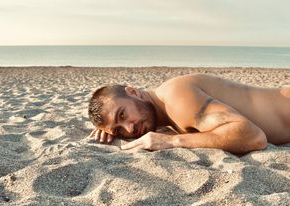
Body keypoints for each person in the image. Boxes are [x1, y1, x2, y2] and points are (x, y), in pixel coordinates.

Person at [88, 74, 290, 153]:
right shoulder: (162, 109)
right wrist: (110, 132)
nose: (129, 128)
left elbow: (253, 137)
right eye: (119, 130)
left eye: (122, 115)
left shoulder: (175, 97)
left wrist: (172, 141)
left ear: (133, 92)